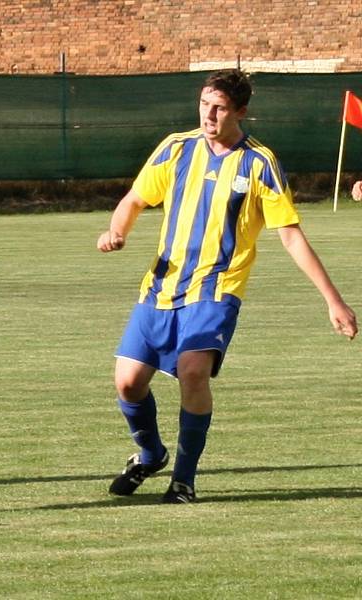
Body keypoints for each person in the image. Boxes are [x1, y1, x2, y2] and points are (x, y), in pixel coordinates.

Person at [97, 69, 357, 504]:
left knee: (193, 372)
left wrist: (334, 301)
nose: (209, 115)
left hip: (217, 290)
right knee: (126, 383)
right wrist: (116, 230)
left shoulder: (259, 163)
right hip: (162, 285)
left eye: (219, 107)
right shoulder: (176, 148)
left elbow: (290, 234)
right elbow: (136, 198)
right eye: (204, 104)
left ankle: (183, 479)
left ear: (240, 111)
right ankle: (150, 453)